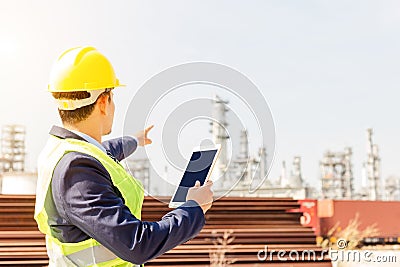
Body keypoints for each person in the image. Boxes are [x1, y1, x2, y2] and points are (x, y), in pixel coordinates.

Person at [34, 46, 214, 267]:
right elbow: (138, 245)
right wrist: (193, 208)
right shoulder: (77, 170)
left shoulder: (64, 148)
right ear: (103, 102)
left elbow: (108, 150)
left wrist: (135, 140)